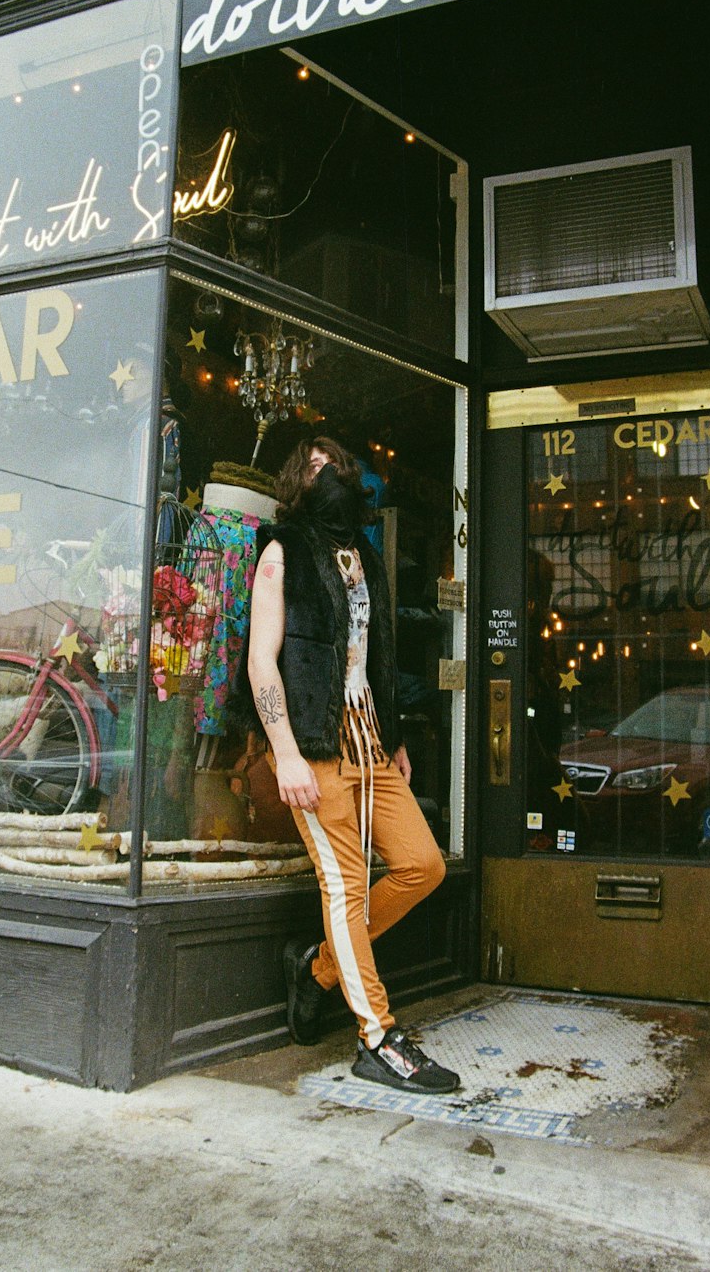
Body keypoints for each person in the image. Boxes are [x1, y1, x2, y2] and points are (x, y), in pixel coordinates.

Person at [241, 436, 460, 1095]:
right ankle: (377, 1036)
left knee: (424, 866)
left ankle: (320, 972)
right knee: (347, 887)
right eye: (312, 466)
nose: (327, 473)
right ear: (296, 481)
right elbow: (261, 659)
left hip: (372, 742)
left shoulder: (365, 554)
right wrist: (284, 753)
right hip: (315, 745)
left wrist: (393, 736)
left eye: (335, 464)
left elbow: (377, 655)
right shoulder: (282, 551)